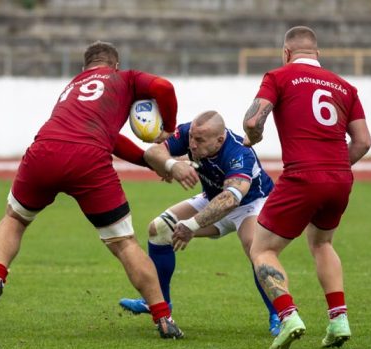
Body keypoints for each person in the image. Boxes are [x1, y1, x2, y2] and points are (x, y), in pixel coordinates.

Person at [0, 41, 185, 339]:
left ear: (83, 68)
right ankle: (163, 319)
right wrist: (167, 132)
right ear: (116, 65)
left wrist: (150, 163)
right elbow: (163, 86)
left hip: (44, 150)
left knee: (15, 219)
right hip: (88, 160)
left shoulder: (71, 87)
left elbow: (109, 138)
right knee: (124, 243)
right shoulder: (125, 78)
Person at [242, 26, 371, 349]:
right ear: (318, 54)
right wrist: (336, 168)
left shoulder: (279, 76)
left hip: (302, 176)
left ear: (286, 53)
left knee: (262, 249)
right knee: (322, 243)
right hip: (340, 179)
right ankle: (338, 320)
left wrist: (254, 137)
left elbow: (253, 121)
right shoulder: (345, 86)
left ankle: (288, 316)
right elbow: (364, 142)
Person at [118, 110, 282, 336]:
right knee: (159, 229)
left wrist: (192, 225)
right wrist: (170, 165)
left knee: (255, 246)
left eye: (200, 140)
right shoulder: (188, 134)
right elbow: (154, 151)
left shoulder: (238, 152)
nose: (192, 144)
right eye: (192, 138)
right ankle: (159, 302)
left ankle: (279, 315)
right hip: (214, 197)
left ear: (220, 140)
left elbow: (231, 199)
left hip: (251, 203)